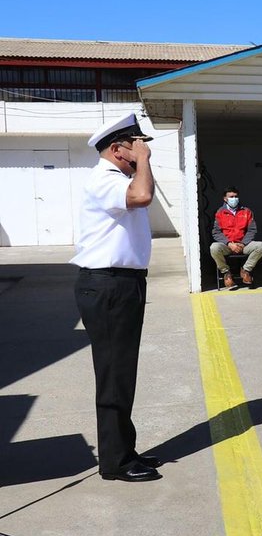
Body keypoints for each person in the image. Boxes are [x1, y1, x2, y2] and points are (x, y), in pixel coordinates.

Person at [71, 112, 162, 482]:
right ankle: (115, 462)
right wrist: (144, 163)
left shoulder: (116, 179)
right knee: (114, 375)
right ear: (116, 148)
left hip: (122, 284)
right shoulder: (106, 179)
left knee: (122, 372)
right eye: (135, 145)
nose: (141, 151)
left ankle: (125, 449)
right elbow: (142, 196)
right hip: (108, 285)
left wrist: (139, 161)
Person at [210, 187, 262, 288]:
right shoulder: (220, 213)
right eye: (231, 197)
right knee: (214, 248)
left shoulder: (246, 211)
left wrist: (243, 243)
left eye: (236, 196)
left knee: (260, 246)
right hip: (227, 245)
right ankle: (226, 273)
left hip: (243, 245)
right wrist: (229, 243)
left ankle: (246, 270)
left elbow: (252, 230)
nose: (234, 198)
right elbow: (216, 232)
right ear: (225, 198)